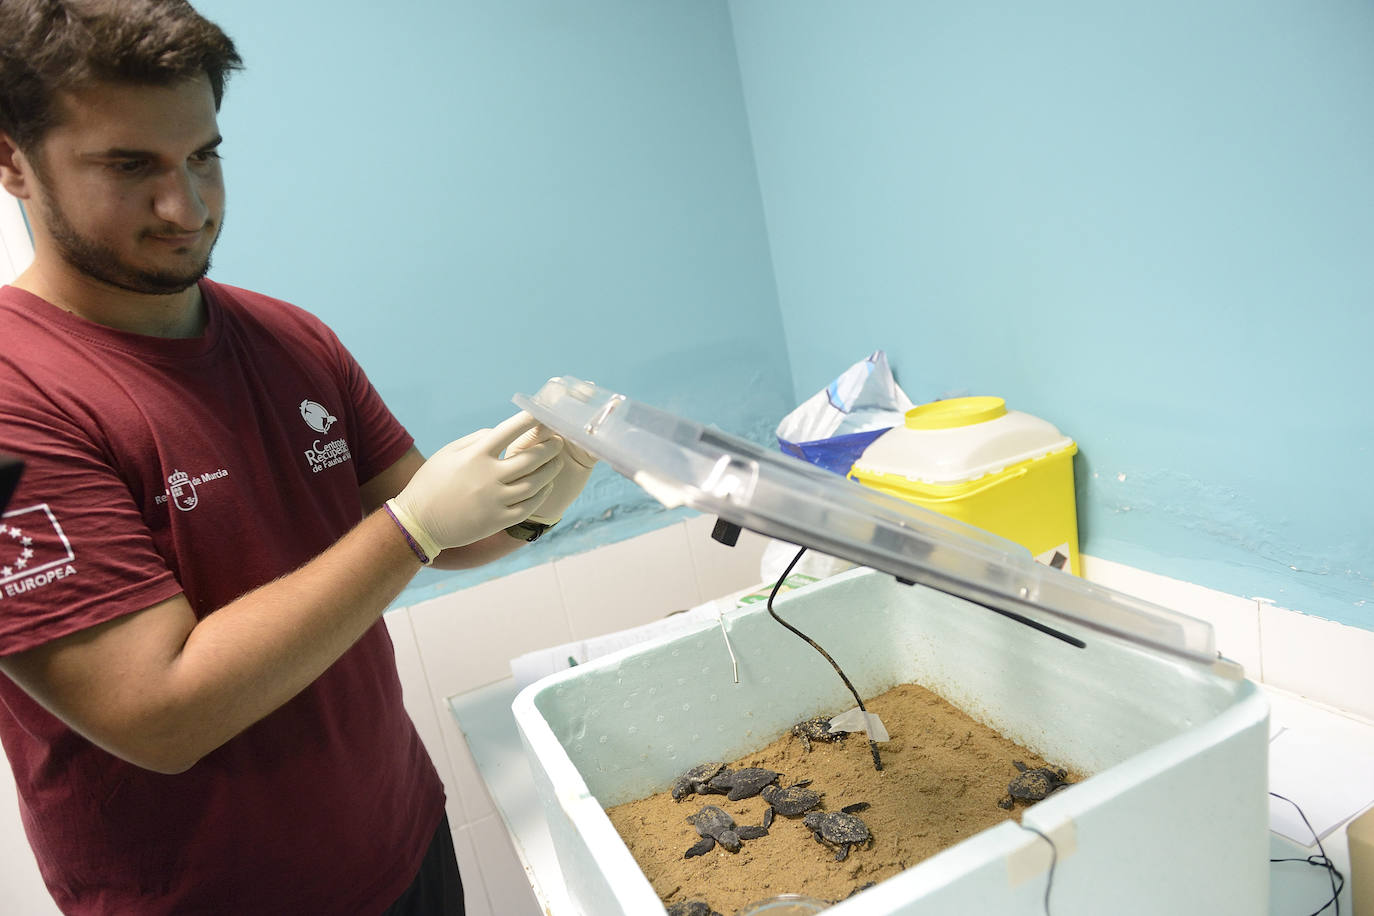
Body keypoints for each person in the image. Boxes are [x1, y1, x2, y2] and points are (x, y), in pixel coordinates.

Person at [0, 1, 595, 912]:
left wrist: (538, 488)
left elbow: (442, 532)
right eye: (131, 167)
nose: (186, 207)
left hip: (403, 844)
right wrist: (415, 527)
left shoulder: (287, 339)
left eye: (203, 156)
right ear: (12, 162)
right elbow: (160, 715)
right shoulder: (20, 397)